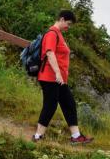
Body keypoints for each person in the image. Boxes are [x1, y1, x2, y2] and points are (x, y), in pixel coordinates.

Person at [31, 10, 93, 145]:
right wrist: (58, 73)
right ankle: (37, 136)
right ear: (62, 19)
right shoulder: (52, 33)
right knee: (50, 105)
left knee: (69, 104)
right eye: (68, 24)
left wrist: (61, 76)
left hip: (59, 79)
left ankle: (76, 136)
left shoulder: (59, 34)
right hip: (50, 77)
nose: (68, 27)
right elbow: (50, 53)